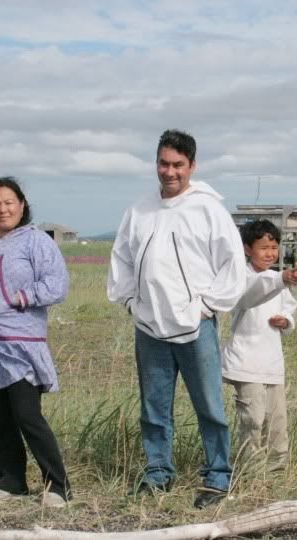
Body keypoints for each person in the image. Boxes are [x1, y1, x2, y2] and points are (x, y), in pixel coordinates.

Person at [107, 129, 247, 509]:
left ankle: (217, 477)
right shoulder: (138, 211)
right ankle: (157, 473)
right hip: (148, 326)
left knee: (208, 406)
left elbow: (232, 264)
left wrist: (205, 307)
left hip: (194, 326)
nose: (170, 172)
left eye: (178, 165)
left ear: (192, 166)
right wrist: (131, 304)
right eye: (164, 164)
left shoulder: (208, 209)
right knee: (153, 407)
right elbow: (121, 259)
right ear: (156, 163)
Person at [0, 177, 71, 509]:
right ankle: (11, 481)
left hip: (19, 344)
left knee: (26, 414)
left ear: (22, 205)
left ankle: (58, 486)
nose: (2, 209)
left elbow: (57, 284)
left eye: (9, 202)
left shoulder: (36, 242)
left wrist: (23, 297)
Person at [222, 220, 297, 473]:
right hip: (245, 363)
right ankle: (251, 470)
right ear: (247, 249)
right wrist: (280, 278)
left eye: (274, 247)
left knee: (277, 421)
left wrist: (286, 320)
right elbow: (250, 296)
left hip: (272, 363)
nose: (270, 253)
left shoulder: (275, 279)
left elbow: (289, 306)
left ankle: (277, 470)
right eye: (263, 247)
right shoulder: (241, 277)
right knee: (253, 419)